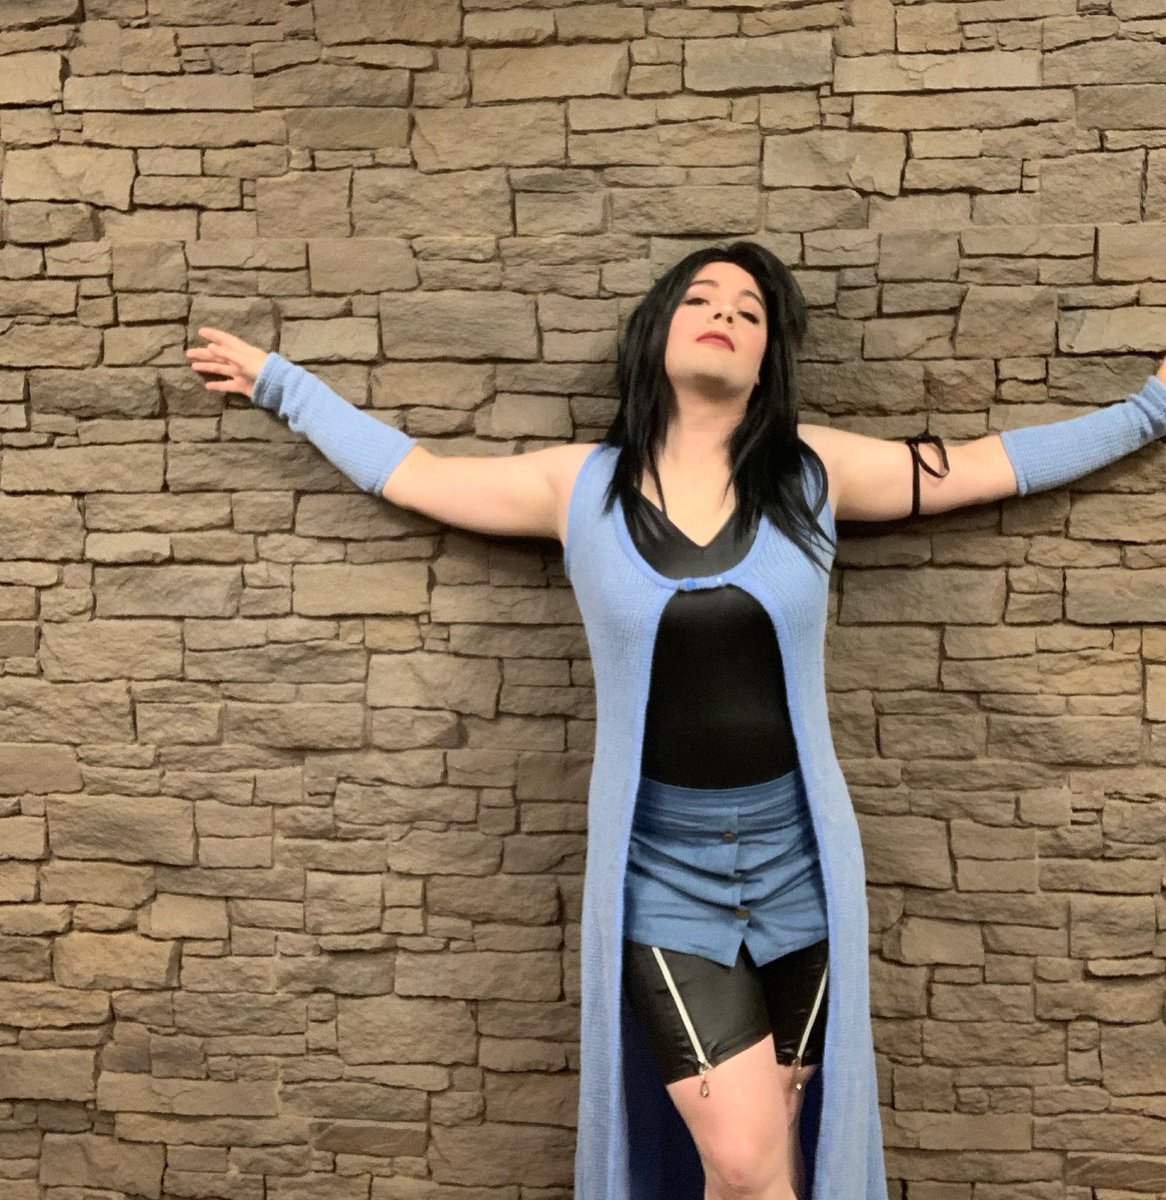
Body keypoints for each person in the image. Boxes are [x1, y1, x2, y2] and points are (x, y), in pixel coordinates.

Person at [187, 240, 1166, 1200]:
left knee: (775, 1154)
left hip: (800, 865)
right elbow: (414, 473)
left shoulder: (813, 472)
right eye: (702, 299)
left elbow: (990, 463)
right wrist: (283, 386)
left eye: (748, 311)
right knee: (744, 1161)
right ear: (657, 331)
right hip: (664, 872)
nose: (724, 316)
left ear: (766, 359)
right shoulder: (577, 486)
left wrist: (1149, 409)